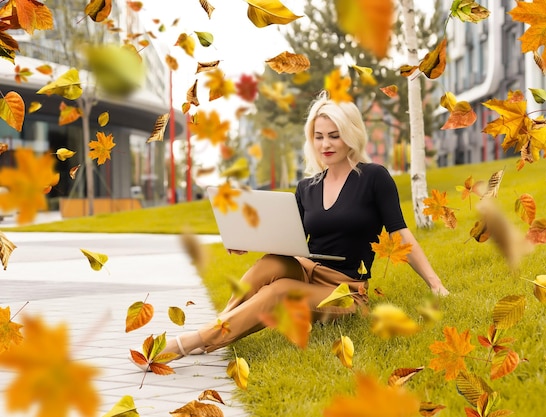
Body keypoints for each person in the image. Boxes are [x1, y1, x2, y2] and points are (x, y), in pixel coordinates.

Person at [131, 92, 449, 367]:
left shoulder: (374, 178)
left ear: (351, 134)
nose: (325, 144)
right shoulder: (307, 186)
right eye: (319, 135)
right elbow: (287, 239)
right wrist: (245, 239)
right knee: (270, 264)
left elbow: (400, 234)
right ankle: (218, 327)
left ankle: (192, 342)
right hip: (307, 268)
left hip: (346, 289)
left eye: (334, 135)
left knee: (278, 292)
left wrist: (435, 284)